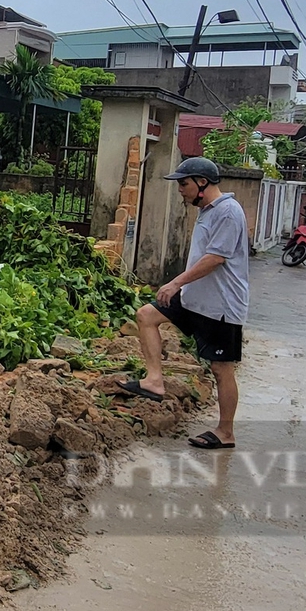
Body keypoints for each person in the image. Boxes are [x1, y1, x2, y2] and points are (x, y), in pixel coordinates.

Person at [117, 156, 251, 449]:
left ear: (202, 182)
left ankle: (225, 432)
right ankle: (154, 380)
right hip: (194, 298)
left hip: (221, 306)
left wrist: (176, 282)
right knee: (146, 315)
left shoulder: (228, 212)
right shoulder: (206, 209)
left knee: (220, 368)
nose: (180, 189)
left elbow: (216, 258)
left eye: (184, 183)